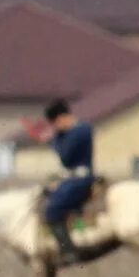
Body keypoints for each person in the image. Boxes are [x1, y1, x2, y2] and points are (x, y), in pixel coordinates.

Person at [39, 98, 94, 263]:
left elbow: (65, 158)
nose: (56, 127)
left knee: (52, 211)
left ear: (61, 118)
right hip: (72, 178)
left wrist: (53, 140)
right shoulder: (79, 130)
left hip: (79, 181)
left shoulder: (79, 131)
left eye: (55, 123)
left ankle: (69, 251)